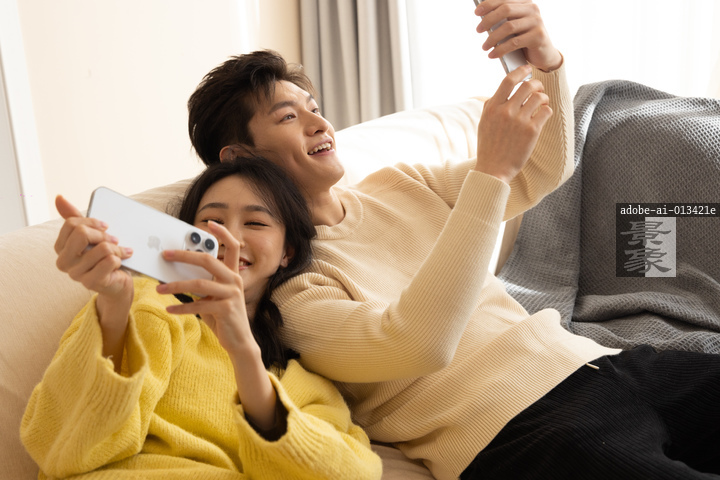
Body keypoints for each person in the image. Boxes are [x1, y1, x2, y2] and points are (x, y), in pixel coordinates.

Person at [186, 2, 720, 479]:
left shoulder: (399, 184)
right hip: (523, 431)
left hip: (606, 364)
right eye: (288, 116)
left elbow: (538, 169)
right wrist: (489, 174)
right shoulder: (294, 289)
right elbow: (416, 343)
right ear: (241, 157)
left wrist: (543, 60)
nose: (317, 122)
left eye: (313, 106)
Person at [20, 157, 383, 480]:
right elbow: (59, 450)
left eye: (255, 222)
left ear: (287, 252)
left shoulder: (305, 385)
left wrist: (245, 356)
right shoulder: (152, 306)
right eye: (210, 221)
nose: (229, 238)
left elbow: (355, 471)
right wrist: (114, 307)